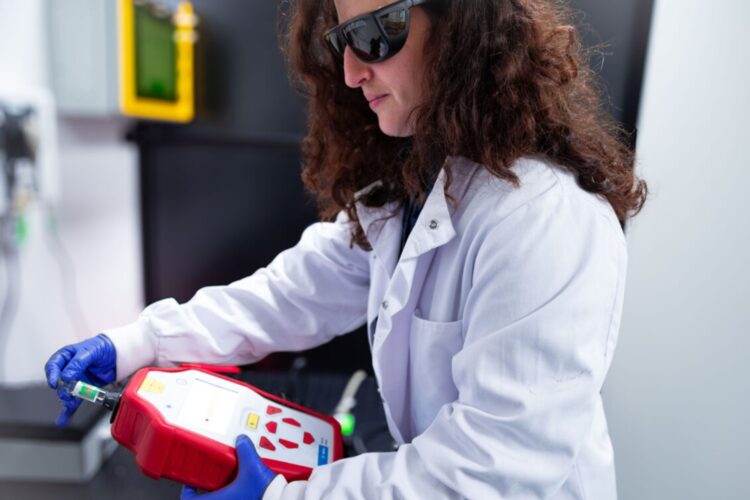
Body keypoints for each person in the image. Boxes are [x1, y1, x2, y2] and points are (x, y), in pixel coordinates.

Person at [45, 0, 648, 498]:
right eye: (343, 41)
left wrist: (280, 496)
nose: (353, 72)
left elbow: (490, 470)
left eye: (377, 34)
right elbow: (288, 295)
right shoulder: (416, 184)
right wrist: (136, 343)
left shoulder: (543, 217)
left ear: (466, 25)